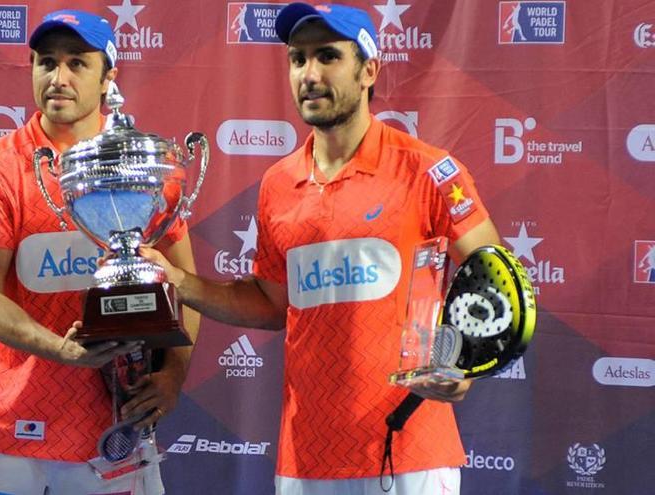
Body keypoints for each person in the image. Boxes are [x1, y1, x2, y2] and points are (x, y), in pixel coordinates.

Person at [139, 3, 500, 494]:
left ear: (369, 69)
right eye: (297, 58)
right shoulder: (277, 183)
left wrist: (461, 367)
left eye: (327, 56)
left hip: (411, 453)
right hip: (306, 458)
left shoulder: (430, 171)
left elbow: (496, 286)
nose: (309, 74)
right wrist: (180, 282)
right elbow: (271, 304)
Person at [0, 9, 198, 495]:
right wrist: (62, 351)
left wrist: (171, 376)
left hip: (111, 430)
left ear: (109, 77)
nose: (58, 78)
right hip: (6, 432)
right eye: (46, 63)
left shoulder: (140, 164)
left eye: (77, 64)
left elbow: (185, 286)